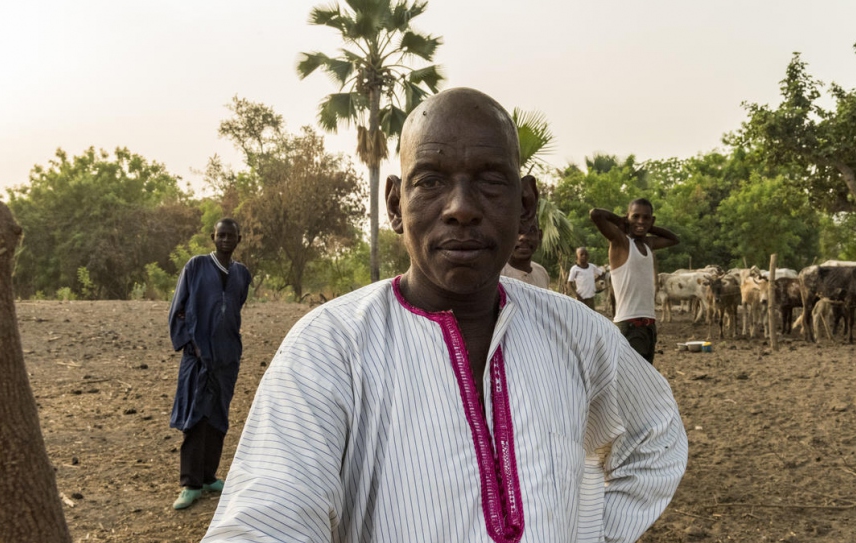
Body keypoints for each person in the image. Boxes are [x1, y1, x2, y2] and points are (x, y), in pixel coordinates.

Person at [202, 88, 686, 542]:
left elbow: (656, 437)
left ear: (525, 205)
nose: (460, 209)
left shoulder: (579, 334)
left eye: (491, 181)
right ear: (395, 203)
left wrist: (592, 531)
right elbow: (264, 520)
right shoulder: (329, 347)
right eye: (431, 181)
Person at [168, 218, 252, 510]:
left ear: (239, 239)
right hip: (198, 356)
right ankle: (190, 484)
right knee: (195, 415)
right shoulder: (196, 266)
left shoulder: (242, 274)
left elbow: (234, 307)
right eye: (221, 235)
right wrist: (189, 345)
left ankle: (208, 477)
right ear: (213, 237)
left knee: (218, 415)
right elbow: (178, 308)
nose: (226, 239)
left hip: (227, 357)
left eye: (231, 235)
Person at [590, 200, 679, 364]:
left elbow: (674, 239)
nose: (641, 221)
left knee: (644, 380)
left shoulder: (648, 244)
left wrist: (647, 227)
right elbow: (596, 214)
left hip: (649, 324)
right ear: (627, 217)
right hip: (629, 323)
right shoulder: (621, 242)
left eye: (646, 218)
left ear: (652, 220)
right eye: (636, 216)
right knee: (631, 382)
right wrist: (622, 222)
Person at [500, 187, 551, 289]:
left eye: (531, 231)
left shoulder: (542, 273)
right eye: (517, 231)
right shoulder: (496, 275)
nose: (523, 237)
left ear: (539, 235)